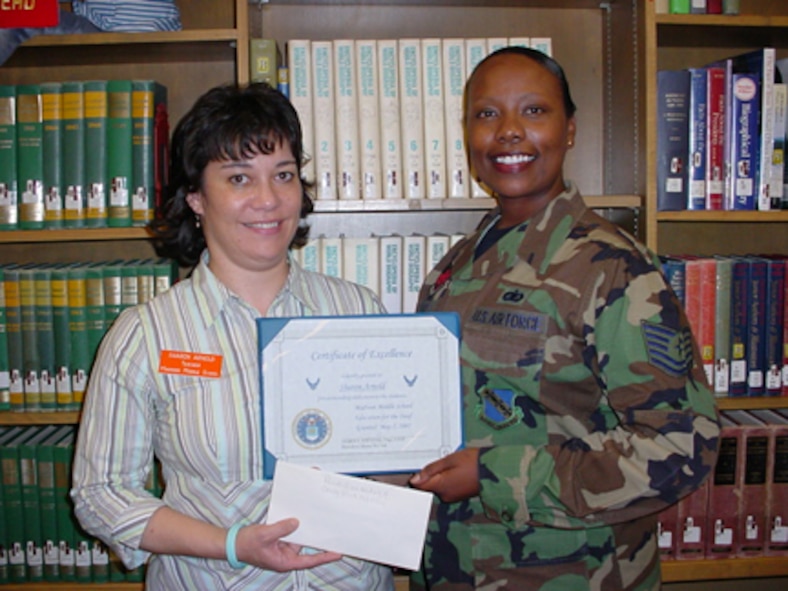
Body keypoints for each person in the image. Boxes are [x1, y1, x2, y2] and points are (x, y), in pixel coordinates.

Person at [409, 46, 720, 591]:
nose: (508, 132)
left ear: (570, 129)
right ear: (467, 134)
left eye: (534, 111)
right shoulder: (456, 264)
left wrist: (493, 475)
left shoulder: (612, 267)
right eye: (487, 114)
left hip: (570, 571)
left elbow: (680, 448)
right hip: (454, 565)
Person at [71, 82, 394, 590]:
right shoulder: (146, 335)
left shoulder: (359, 311)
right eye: (239, 178)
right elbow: (101, 494)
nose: (268, 200)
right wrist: (231, 541)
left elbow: (393, 458)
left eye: (283, 175)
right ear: (196, 197)